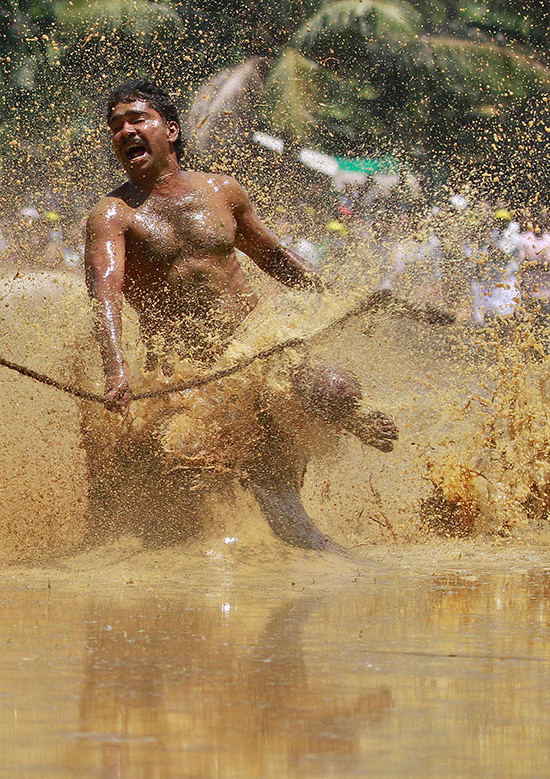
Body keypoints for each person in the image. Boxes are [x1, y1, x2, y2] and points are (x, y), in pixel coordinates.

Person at [84, 78, 397, 550]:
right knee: (197, 460)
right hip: (186, 369)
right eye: (115, 126)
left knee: (335, 387)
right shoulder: (112, 215)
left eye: (136, 120)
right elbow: (104, 295)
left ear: (169, 130)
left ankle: (344, 415)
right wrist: (116, 371)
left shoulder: (223, 190)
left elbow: (272, 258)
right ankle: (268, 537)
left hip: (256, 346)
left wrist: (336, 298)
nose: (124, 131)